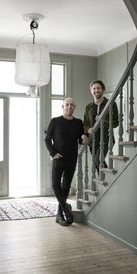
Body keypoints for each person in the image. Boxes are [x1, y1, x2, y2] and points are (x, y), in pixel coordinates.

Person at [45, 97, 88, 226]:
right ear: (63, 106)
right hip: (59, 159)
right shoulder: (55, 121)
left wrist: (85, 137)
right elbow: (47, 139)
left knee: (66, 186)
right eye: (67, 105)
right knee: (55, 185)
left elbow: (81, 140)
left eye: (72, 105)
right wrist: (53, 153)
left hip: (72, 158)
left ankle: (59, 214)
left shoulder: (78, 122)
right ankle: (66, 211)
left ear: (75, 107)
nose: (69, 107)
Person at [83, 80, 119, 174]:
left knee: (98, 160)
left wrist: (103, 121)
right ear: (91, 91)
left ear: (103, 90)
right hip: (92, 140)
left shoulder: (111, 104)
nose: (96, 90)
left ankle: (110, 179)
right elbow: (85, 124)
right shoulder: (88, 107)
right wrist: (88, 129)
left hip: (106, 139)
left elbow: (116, 123)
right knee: (97, 163)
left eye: (98, 88)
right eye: (94, 88)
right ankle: (105, 186)